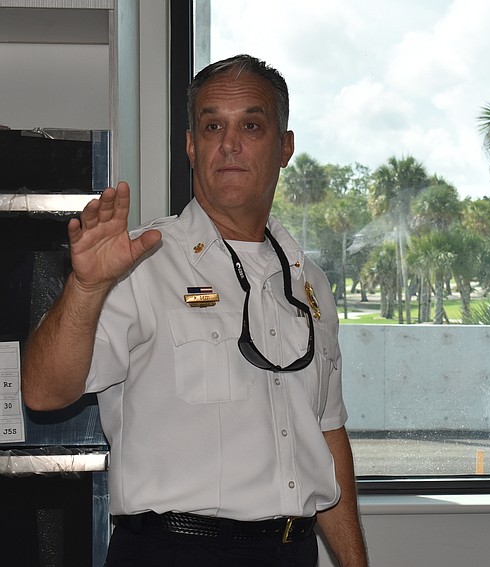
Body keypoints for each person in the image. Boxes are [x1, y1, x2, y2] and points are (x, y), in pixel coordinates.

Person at [22, 54, 368, 567]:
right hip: (172, 550)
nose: (230, 144)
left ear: (285, 147)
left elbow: (327, 433)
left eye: (251, 125)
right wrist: (86, 287)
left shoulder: (307, 280)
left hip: (293, 550)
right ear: (191, 146)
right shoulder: (140, 261)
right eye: (212, 126)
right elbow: (42, 392)